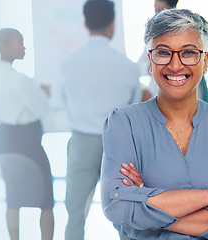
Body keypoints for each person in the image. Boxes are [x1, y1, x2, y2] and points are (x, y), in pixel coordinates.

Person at [101, 9, 208, 240]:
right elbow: (116, 206)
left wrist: (145, 212)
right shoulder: (123, 123)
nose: (175, 65)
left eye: (188, 52)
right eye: (163, 53)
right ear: (150, 61)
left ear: (205, 61)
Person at [51, 0, 144, 239]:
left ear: (85, 24)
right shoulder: (128, 68)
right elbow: (132, 108)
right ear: (112, 26)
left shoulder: (66, 64)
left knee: (75, 213)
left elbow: (60, 102)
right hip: (117, 145)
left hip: (81, 143)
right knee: (125, 212)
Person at [0, 28, 54, 240]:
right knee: (46, 197)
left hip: (3, 138)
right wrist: (43, 94)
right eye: (19, 43)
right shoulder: (20, 80)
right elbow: (41, 109)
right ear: (5, 46)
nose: (24, 47)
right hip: (26, 140)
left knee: (13, 197)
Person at [136, 0, 208, 104]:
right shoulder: (154, 40)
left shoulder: (192, 31)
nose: (175, 66)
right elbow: (138, 68)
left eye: (160, 10)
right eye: (163, 53)